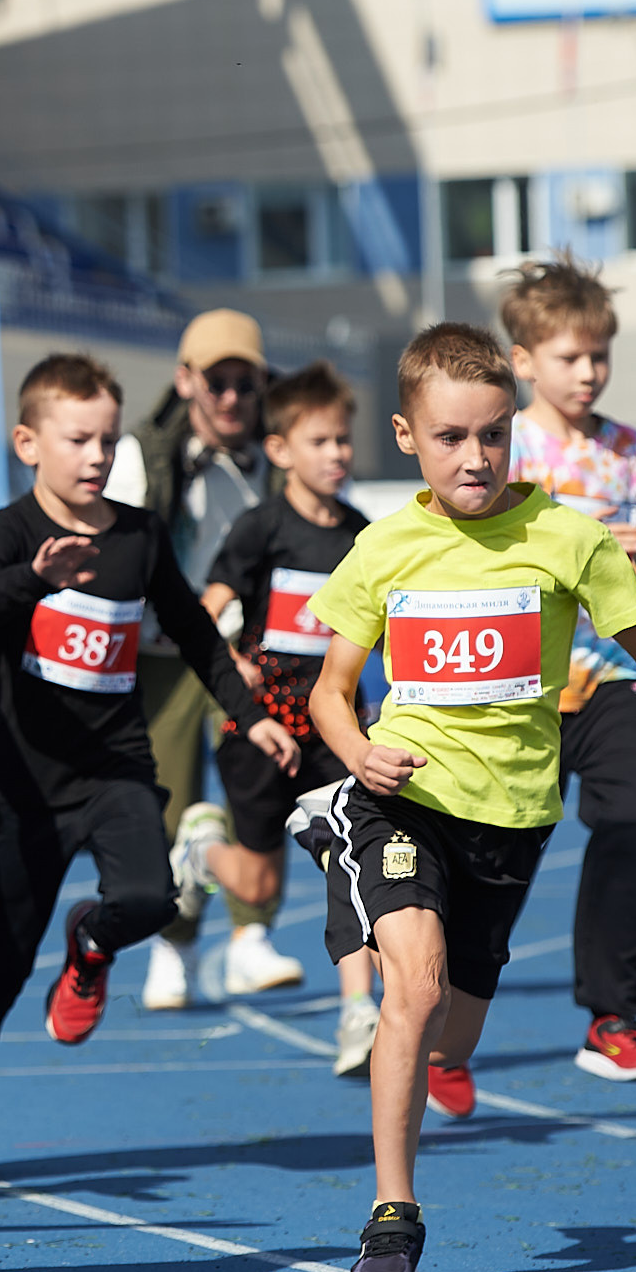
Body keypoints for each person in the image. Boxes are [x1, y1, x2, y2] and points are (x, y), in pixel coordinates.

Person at [305, 322, 636, 1272]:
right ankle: (392, 1216)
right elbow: (328, 690)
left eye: (492, 435)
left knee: (454, 1031)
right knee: (412, 984)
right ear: (406, 436)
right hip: (401, 798)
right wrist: (359, 751)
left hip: (512, 819)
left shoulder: (566, 538)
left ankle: (433, 1038)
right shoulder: (384, 546)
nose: (474, 457)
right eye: (450, 438)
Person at [0, 354, 295, 1178]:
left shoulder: (138, 536)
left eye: (106, 439)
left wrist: (251, 716)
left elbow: (196, 635)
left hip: (116, 766)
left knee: (149, 898)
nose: (95, 456)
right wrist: (33, 579)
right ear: (29, 442)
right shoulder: (13, 532)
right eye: (77, 439)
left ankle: (89, 944)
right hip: (26, 786)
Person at [503, 253, 636, 1084]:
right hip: (520, 682)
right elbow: (479, 556)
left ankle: (613, 1016)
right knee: (495, 857)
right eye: (569, 357)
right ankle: (441, 1010)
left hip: (611, 674)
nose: (588, 373)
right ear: (523, 361)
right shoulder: (499, 446)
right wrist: (583, 543)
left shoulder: (631, 451)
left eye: (598, 356)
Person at [182, 362, 382, 1069]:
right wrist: (225, 655)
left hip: (334, 723)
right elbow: (208, 608)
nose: (337, 454)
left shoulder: (364, 536)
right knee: (260, 886)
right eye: (321, 441)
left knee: (351, 862)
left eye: (343, 441)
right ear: (280, 451)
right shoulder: (260, 527)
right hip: (260, 727)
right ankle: (203, 848)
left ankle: (360, 1013)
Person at [107, 310, 270, 1010]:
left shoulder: (279, 455)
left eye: (245, 383)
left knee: (260, 784)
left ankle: (250, 938)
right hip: (162, 652)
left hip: (243, 653)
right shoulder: (142, 454)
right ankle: (175, 945)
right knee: (169, 805)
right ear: (186, 382)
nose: (231, 398)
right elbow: (119, 556)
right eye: (217, 382)